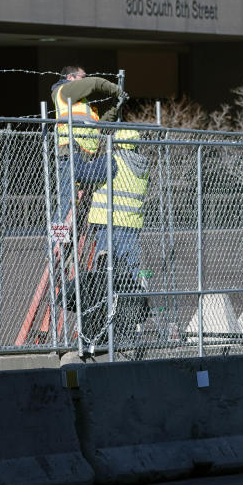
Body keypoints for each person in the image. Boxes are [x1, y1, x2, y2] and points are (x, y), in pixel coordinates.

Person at [82, 128, 151, 346]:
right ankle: (129, 328)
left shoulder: (113, 161)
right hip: (131, 228)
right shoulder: (142, 165)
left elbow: (85, 174)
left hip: (109, 227)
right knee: (128, 279)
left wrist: (71, 158)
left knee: (103, 278)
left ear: (117, 143)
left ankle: (102, 329)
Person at [50, 65, 124, 222]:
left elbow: (98, 128)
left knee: (80, 207)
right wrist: (117, 89)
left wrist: (114, 107)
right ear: (70, 77)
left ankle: (70, 243)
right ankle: (56, 243)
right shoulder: (64, 91)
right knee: (66, 204)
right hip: (70, 154)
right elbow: (95, 82)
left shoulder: (84, 105)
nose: (85, 80)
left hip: (87, 159)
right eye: (82, 77)